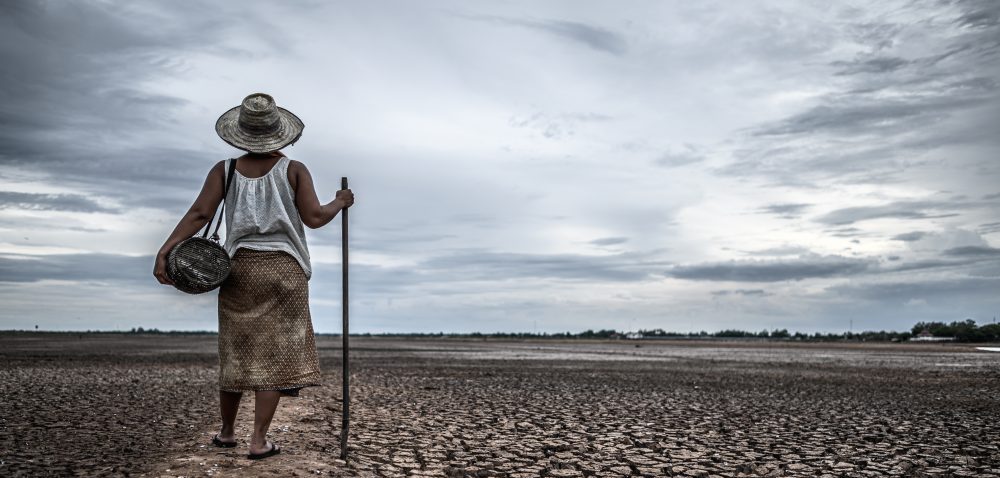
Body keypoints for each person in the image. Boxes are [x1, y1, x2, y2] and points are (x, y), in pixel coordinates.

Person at [153, 92, 354, 460]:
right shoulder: (294, 169)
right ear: (281, 134)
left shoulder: (225, 170)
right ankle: (259, 441)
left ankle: (227, 433)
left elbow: (200, 214)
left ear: (240, 134)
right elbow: (314, 217)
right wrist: (339, 203)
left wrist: (166, 249)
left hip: (239, 269)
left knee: (235, 351)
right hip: (285, 270)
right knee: (274, 357)